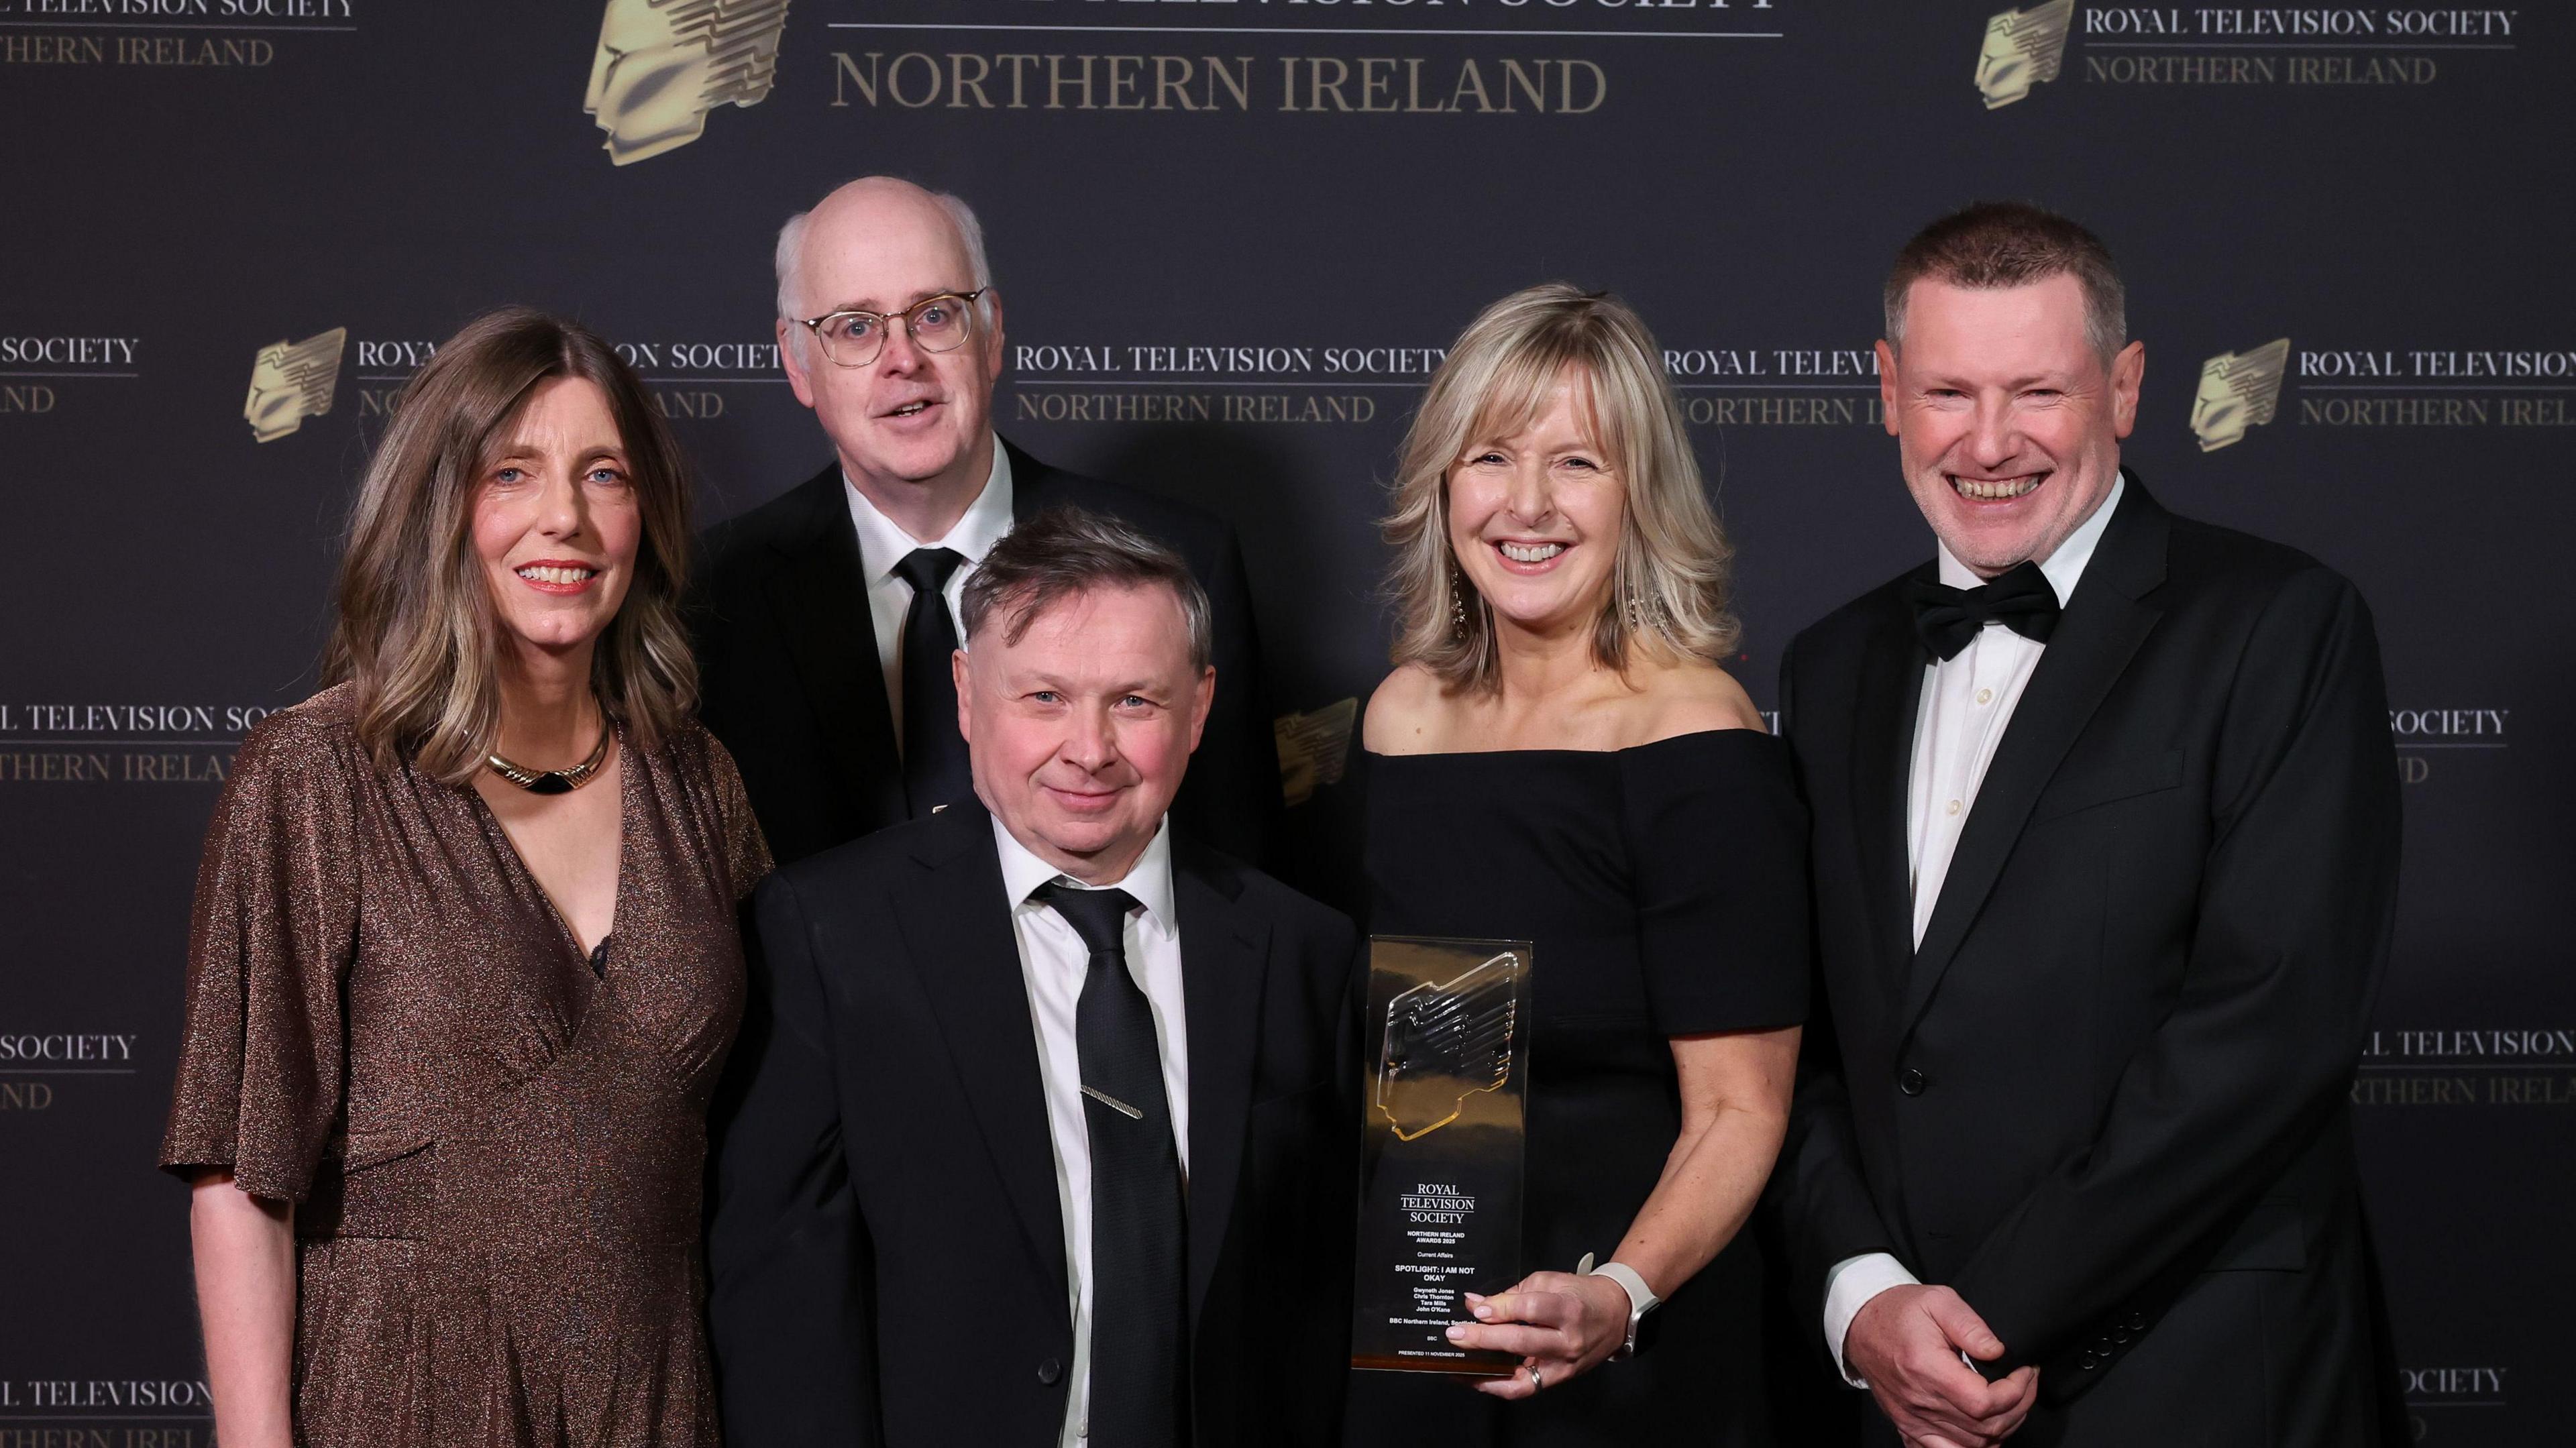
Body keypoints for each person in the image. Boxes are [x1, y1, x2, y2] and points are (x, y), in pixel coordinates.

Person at [1770, 202, 2405, 1447]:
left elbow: (2271, 1028)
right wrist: (1866, 1295)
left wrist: (1990, 1314)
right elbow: (1799, 1039)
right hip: (1898, 1393)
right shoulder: (1828, 662)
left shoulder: (2283, 625)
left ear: (2125, 388)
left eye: (2039, 392)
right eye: (1949, 389)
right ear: (1887, 390)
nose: (1990, 441)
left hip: (2197, 1381)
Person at [160, 307, 771, 1447]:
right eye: (514, 473)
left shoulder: (698, 781)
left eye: (606, 474)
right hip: (404, 1387)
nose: (568, 519)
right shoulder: (317, 771)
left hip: (658, 1388)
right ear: (440, 506)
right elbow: (246, 1178)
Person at [704, 504, 1360, 1447]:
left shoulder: (1305, 952)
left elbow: (1322, 1306)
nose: (1089, 750)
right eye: (1044, 697)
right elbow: (785, 1310)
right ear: (967, 695)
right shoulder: (830, 932)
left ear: (1201, 706)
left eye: (1135, 700)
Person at [1350, 282, 1809, 1446]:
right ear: (1444, 484)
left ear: (1638, 495)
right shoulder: (1402, 719)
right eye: (1493, 456)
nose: (1528, 504)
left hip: (1626, 1357)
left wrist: (1622, 1293)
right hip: (1421, 1330)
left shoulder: (1695, 734)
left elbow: (1740, 1109)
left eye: (1578, 463)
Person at [691, 176, 1277, 868]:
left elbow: (1245, 894)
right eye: (855, 327)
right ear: (797, 363)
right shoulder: (709, 597)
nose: (902, 359)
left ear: (992, 333)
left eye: (935, 315)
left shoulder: (1183, 560)